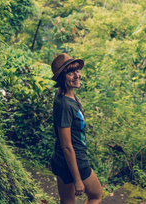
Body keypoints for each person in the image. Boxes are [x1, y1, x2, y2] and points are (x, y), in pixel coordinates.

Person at [50, 53, 103, 204]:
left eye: (77, 70)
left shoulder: (64, 94)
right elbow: (67, 146)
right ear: (62, 78)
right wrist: (77, 179)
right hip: (75, 160)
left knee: (67, 201)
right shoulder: (65, 105)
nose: (77, 75)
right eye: (70, 72)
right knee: (96, 196)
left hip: (60, 160)